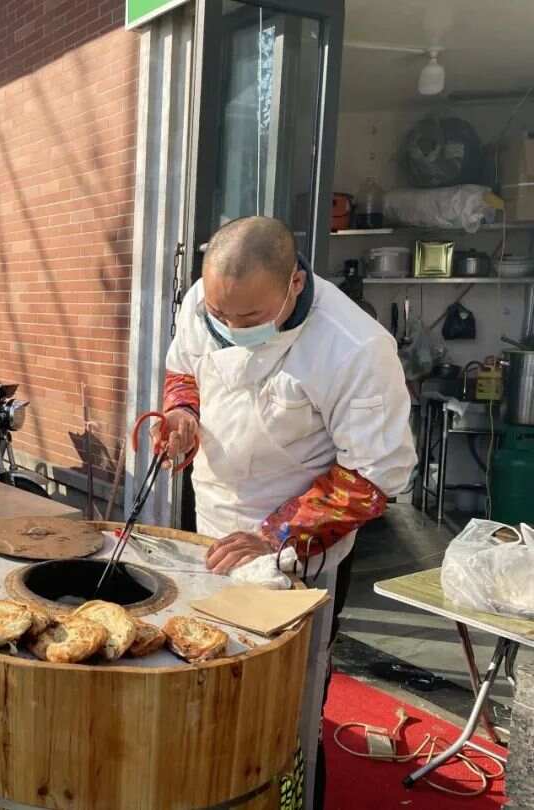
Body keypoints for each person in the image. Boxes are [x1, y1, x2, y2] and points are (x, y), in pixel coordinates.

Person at [154, 216, 416, 808]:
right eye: (219, 315)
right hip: (214, 522)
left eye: (246, 320)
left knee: (286, 695)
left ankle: (289, 791)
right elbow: (184, 366)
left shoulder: (354, 348)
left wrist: (277, 534)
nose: (228, 327)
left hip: (297, 547)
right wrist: (182, 413)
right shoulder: (209, 300)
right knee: (209, 667)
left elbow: (377, 474)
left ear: (295, 283)